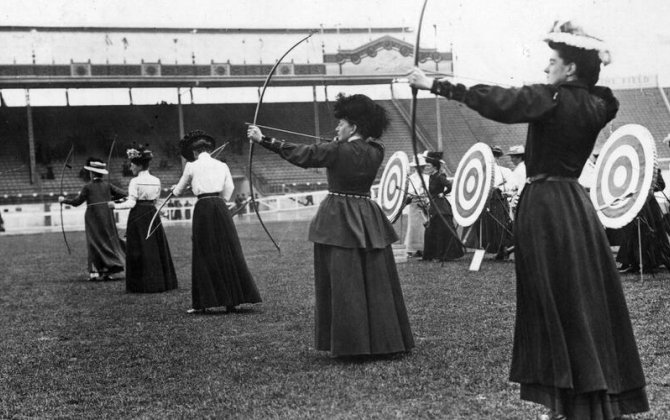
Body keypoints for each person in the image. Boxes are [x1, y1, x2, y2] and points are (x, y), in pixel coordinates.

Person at [410, 20, 648, 419]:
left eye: (553, 61)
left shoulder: (552, 97)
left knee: (551, 299)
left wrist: (434, 83)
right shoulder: (597, 104)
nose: (545, 68)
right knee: (581, 296)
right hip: (575, 205)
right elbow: (603, 95)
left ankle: (568, 401)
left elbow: (500, 101)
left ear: (569, 69)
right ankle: (589, 398)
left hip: (545, 206)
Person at [247, 93, 414, 358]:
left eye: (341, 123)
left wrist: (263, 139)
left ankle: (352, 345)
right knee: (374, 278)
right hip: (367, 213)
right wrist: (338, 142)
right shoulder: (377, 151)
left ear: (354, 127)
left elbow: (305, 155)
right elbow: (341, 150)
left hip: (339, 216)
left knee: (344, 280)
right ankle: (386, 341)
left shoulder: (336, 149)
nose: (336, 128)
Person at [173, 130, 261, 314]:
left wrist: (181, 188)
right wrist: (219, 198)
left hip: (203, 207)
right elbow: (228, 188)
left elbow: (178, 192)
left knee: (204, 251)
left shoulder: (191, 166)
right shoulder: (222, 165)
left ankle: (204, 303)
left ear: (195, 152)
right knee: (227, 248)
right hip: (220, 207)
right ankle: (232, 300)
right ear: (209, 150)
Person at [109, 145, 178, 293]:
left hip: (138, 216)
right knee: (153, 248)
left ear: (139, 165)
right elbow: (154, 201)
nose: (131, 167)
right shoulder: (156, 180)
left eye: (132, 164)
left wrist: (113, 205)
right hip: (152, 214)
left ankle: (141, 284)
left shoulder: (135, 181)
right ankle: (160, 282)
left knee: (139, 249)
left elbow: (132, 203)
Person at [59, 158, 126, 281]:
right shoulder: (107, 185)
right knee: (107, 241)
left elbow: (77, 202)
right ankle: (107, 271)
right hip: (107, 218)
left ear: (92, 173)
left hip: (93, 219)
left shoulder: (88, 187)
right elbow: (124, 194)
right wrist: (112, 197)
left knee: (93, 243)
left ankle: (95, 272)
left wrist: (64, 200)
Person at [616, 168, 670, 274]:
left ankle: (650, 263)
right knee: (632, 233)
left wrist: (649, 186)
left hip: (650, 205)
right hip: (635, 205)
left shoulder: (653, 169)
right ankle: (632, 262)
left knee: (651, 232)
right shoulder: (632, 168)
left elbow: (661, 185)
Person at [421, 151, 464, 262]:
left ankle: (443, 255)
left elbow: (450, 186)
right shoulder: (431, 177)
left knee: (441, 231)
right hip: (434, 206)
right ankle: (431, 255)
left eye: (428, 165)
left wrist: (443, 194)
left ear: (434, 166)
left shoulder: (440, 176)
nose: (426, 167)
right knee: (431, 230)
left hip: (441, 207)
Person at [404, 152, 429, 257]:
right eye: (418, 167)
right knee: (414, 226)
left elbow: (428, 189)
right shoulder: (411, 178)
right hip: (414, 203)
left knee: (424, 226)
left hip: (424, 203)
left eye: (422, 167)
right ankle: (413, 248)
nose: (420, 168)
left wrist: (426, 198)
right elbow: (410, 191)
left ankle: (423, 248)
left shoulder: (427, 177)